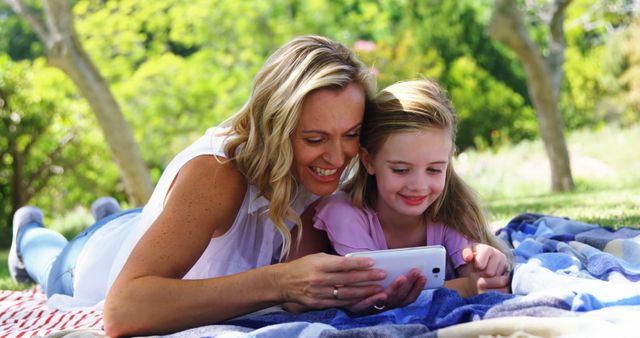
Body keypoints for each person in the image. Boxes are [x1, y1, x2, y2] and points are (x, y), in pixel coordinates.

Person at [8, 35, 422, 337]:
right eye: (314, 140)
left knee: (132, 223)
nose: (337, 157)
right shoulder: (217, 174)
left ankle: (112, 213)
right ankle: (27, 233)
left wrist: (362, 293)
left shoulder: (329, 167)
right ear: (274, 130)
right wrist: (279, 280)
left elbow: (296, 295)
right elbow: (122, 311)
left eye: (350, 134)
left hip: (170, 229)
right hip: (93, 263)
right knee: (52, 260)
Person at [311, 79, 512, 308]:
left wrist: (486, 261)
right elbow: (366, 296)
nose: (418, 185)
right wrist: (465, 287)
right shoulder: (344, 214)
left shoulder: (449, 209)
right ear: (368, 161)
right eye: (401, 170)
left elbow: (477, 274)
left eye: (434, 169)